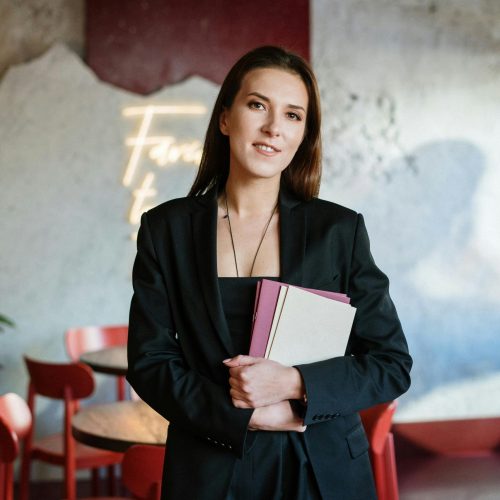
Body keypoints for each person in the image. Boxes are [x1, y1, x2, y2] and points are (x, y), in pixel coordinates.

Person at [127, 45, 412, 500]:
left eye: (293, 115)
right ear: (225, 119)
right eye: (257, 105)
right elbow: (150, 363)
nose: (273, 128)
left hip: (324, 469)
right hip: (210, 468)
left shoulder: (339, 231)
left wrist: (296, 383)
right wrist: (244, 415)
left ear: (304, 134)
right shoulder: (166, 229)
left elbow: (390, 364)